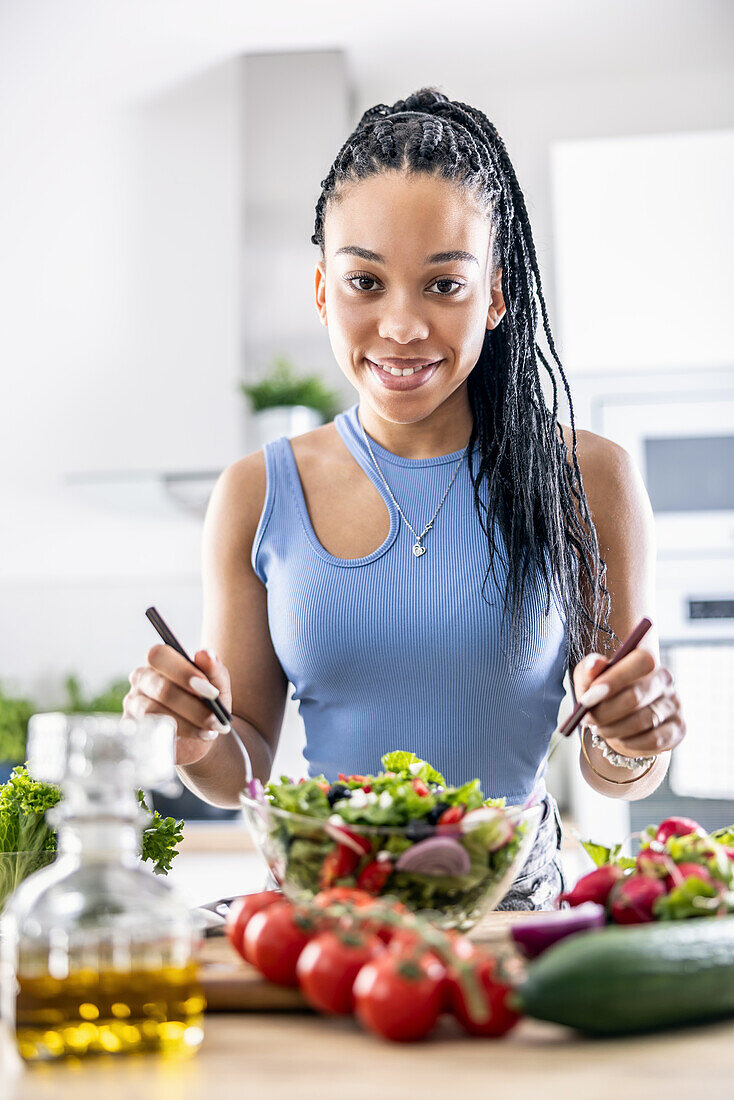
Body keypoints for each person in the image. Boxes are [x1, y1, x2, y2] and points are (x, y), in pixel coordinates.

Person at [123, 88, 686, 909]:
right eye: (365, 281)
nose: (401, 326)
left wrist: (634, 736)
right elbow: (237, 766)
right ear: (322, 291)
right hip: (326, 902)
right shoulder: (254, 492)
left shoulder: (586, 478)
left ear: (496, 296)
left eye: (443, 286)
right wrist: (190, 734)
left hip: (510, 907)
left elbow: (616, 766)